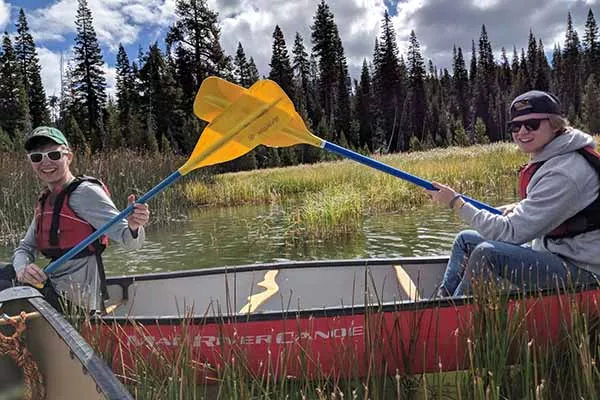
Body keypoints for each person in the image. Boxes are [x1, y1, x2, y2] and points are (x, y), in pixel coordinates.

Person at [428, 90, 600, 297]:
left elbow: (510, 234)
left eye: (532, 124)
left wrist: (456, 203)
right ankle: (442, 303)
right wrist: (517, 208)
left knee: (488, 254)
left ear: (555, 124)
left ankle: (455, 320)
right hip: (553, 252)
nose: (522, 132)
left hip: (585, 270)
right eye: (515, 126)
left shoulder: (564, 172)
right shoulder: (553, 157)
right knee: (466, 240)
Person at [4, 126, 150, 313]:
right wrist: (22, 268)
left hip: (75, 301)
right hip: (51, 284)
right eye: (37, 157)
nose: (45, 162)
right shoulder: (47, 198)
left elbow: (130, 241)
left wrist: (134, 225)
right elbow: (24, 248)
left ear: (69, 157)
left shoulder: (85, 193)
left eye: (54, 155)